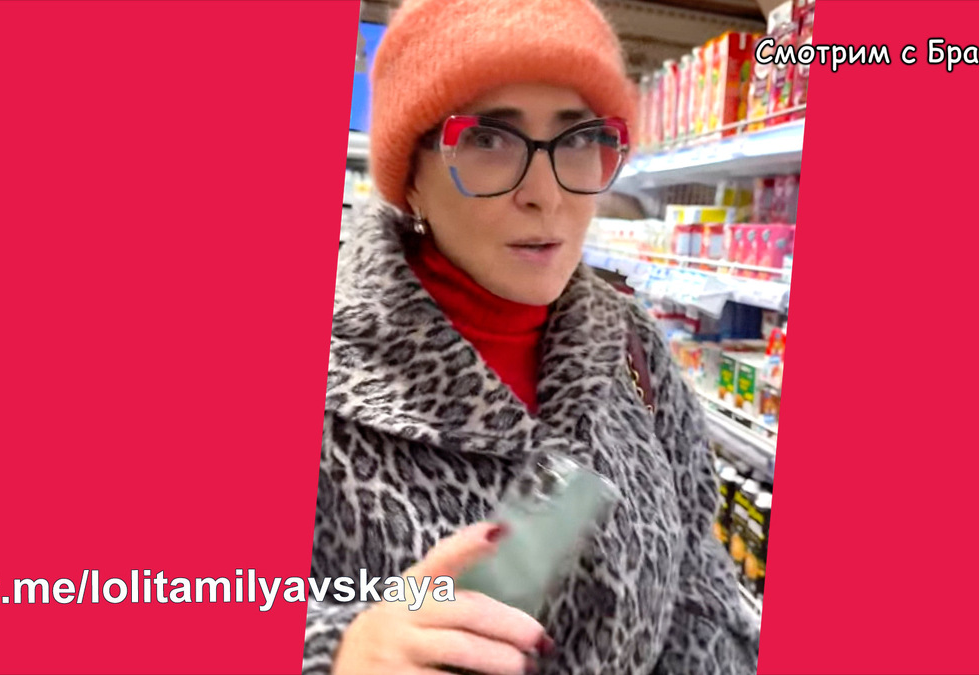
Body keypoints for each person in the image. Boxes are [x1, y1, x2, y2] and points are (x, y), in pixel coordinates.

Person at [304, 0, 760, 673]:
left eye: (577, 139)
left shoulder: (633, 348)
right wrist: (338, 651)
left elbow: (700, 575)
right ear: (412, 175)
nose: (547, 194)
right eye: (489, 139)